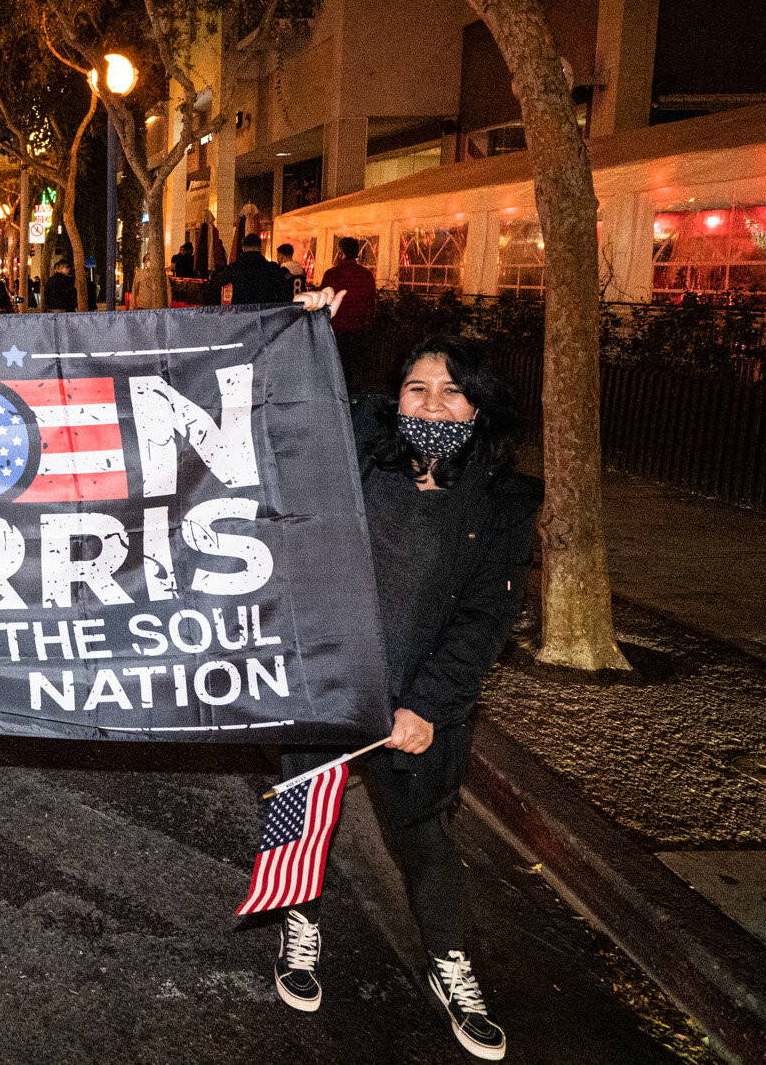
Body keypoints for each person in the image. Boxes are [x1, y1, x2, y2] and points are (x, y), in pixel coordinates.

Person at [268, 334, 540, 1062]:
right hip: (329, 679)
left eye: (453, 391)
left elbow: (487, 615)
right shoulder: (363, 455)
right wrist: (306, 333)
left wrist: (427, 704)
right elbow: (311, 409)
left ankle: (450, 962)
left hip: (417, 704)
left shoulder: (505, 501)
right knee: (304, 816)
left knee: (423, 837)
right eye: (417, 388)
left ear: (481, 406)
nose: (433, 403)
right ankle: (301, 921)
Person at [320, 237, 379, 394]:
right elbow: (371, 301)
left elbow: (323, 301)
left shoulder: (332, 274)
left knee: (334, 369)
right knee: (355, 370)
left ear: (341, 252)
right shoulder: (366, 275)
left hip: (335, 329)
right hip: (358, 329)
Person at [210, 232, 296, 306]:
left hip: (242, 313)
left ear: (243, 248)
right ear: (259, 248)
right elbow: (284, 293)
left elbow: (216, 283)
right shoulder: (272, 268)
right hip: (264, 313)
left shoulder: (234, 267)